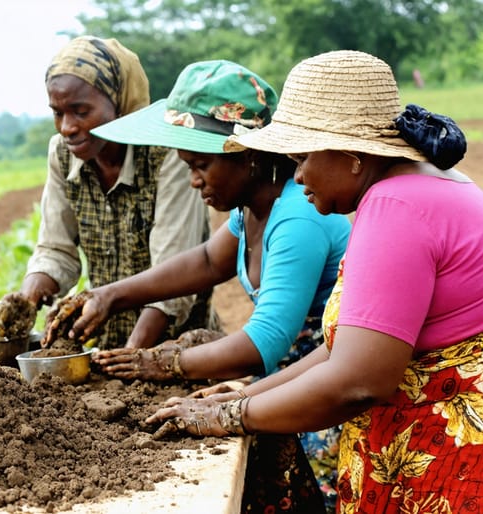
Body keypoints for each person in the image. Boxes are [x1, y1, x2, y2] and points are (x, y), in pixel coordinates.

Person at [146, 50, 483, 514]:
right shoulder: (414, 189)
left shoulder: (396, 207)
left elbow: (358, 380)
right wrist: (244, 393)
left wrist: (230, 416)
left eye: (304, 156)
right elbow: (343, 348)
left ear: (352, 156)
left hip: (465, 461)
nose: (298, 174)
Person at [43, 59, 352, 511]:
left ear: (245, 153)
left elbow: (264, 341)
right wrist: (109, 294)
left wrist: (166, 363)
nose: (193, 181)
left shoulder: (296, 217)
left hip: (324, 395)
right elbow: (207, 261)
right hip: (286, 384)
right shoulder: (251, 209)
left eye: (201, 165)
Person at [0, 36, 219, 350]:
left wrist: (132, 356)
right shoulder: (63, 154)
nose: (66, 127)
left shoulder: (166, 155)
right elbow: (56, 249)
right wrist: (27, 298)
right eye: (58, 113)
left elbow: (175, 278)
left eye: (80, 111)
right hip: (106, 348)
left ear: (121, 105)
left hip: (179, 349)